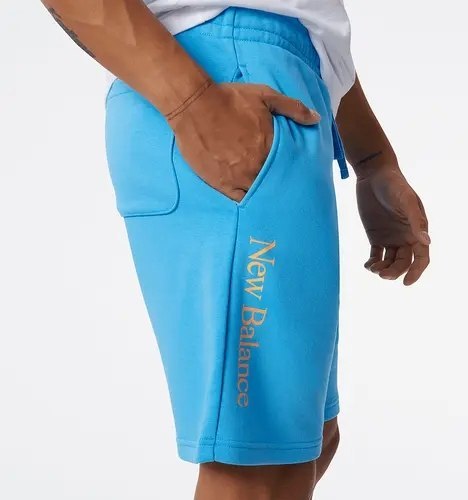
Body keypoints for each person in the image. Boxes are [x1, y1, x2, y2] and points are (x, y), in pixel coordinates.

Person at [41, 1, 430, 498]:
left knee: (309, 437)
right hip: (223, 77)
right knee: (261, 465)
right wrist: (193, 104)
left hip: (276, 88)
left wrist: (373, 158)